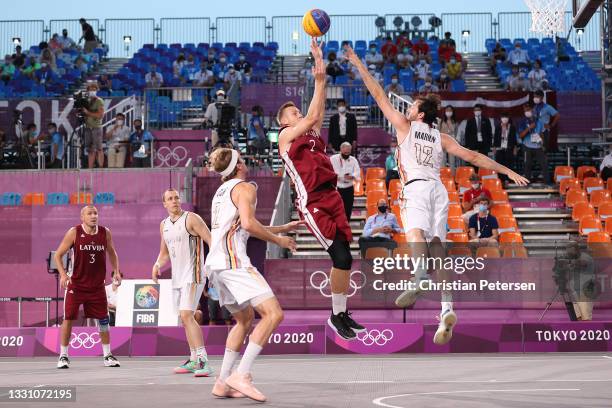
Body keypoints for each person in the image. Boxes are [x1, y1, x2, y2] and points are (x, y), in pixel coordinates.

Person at [344, 44, 528, 345]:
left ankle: (419, 278)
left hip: (416, 187)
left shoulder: (404, 126)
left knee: (414, 234)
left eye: (413, 105)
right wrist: (506, 171)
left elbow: (377, 93)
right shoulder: (441, 137)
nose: (408, 108)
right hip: (440, 191)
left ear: (420, 113)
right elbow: (475, 157)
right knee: (438, 250)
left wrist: (357, 62)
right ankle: (446, 309)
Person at [277, 39, 366, 340]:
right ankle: (334, 316)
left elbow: (317, 109)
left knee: (346, 259)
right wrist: (318, 78)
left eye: (296, 113)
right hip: (312, 200)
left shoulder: (311, 132)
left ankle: (340, 313)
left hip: (332, 195)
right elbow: (313, 116)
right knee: (340, 257)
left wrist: (321, 75)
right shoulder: (286, 137)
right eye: (292, 113)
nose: (297, 114)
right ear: (283, 122)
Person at [206, 148, 298, 401]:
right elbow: (247, 224)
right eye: (243, 160)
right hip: (233, 261)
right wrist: (278, 239)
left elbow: (241, 227)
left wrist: (280, 228)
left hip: (215, 265)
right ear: (238, 167)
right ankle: (241, 374)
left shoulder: (221, 191)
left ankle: (222, 382)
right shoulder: (246, 188)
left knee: (244, 320)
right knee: (274, 314)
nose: (246, 164)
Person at [152, 188, 214, 377]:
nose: (174, 201)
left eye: (177, 197)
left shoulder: (191, 219)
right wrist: (157, 264)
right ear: (164, 204)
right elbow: (164, 253)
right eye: (170, 199)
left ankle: (204, 361)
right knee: (185, 319)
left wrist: (211, 267)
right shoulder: (164, 225)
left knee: (187, 315)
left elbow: (212, 241)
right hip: (177, 278)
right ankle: (194, 359)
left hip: (194, 274)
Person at [53, 206, 121, 369]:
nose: (93, 216)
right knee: (68, 319)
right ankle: (63, 356)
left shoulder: (105, 232)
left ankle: (107, 355)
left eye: (95, 213)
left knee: (104, 320)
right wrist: (63, 274)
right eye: (89, 213)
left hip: (97, 287)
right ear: (82, 217)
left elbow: (112, 252)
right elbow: (58, 255)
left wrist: (116, 271)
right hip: (76, 285)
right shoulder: (74, 232)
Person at [518, 103, 550, 184]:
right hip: (527, 146)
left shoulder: (539, 121)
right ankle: (526, 184)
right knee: (527, 165)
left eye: (528, 110)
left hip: (538, 146)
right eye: (525, 110)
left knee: (544, 164)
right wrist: (529, 128)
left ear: (532, 110)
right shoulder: (522, 121)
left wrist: (543, 144)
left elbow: (541, 133)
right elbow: (521, 135)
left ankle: (547, 183)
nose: (527, 111)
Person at [331, 142, 361, 221]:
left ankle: (346, 226)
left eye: (348, 152)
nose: (346, 154)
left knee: (348, 209)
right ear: (341, 150)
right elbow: (328, 171)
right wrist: (338, 176)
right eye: (345, 152)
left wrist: (352, 176)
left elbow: (357, 172)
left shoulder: (353, 160)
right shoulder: (333, 159)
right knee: (337, 209)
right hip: (337, 188)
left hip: (349, 187)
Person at [82, 81, 105, 168]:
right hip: (88, 127)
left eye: (94, 89)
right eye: (90, 89)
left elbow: (100, 115)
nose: (92, 91)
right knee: (90, 149)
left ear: (97, 90)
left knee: (99, 148)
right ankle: (90, 167)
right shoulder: (86, 101)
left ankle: (101, 167)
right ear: (87, 91)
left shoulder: (99, 101)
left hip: (96, 127)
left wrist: (88, 113)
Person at [493, 112, 518, 184]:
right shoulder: (498, 127)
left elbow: (514, 139)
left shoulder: (512, 127)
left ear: (508, 118)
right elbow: (495, 138)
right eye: (503, 117)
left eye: (506, 117)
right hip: (500, 149)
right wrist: (494, 148)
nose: (504, 119)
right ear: (501, 119)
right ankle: (501, 180)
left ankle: (508, 180)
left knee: (509, 165)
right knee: (500, 165)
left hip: (509, 148)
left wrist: (515, 148)